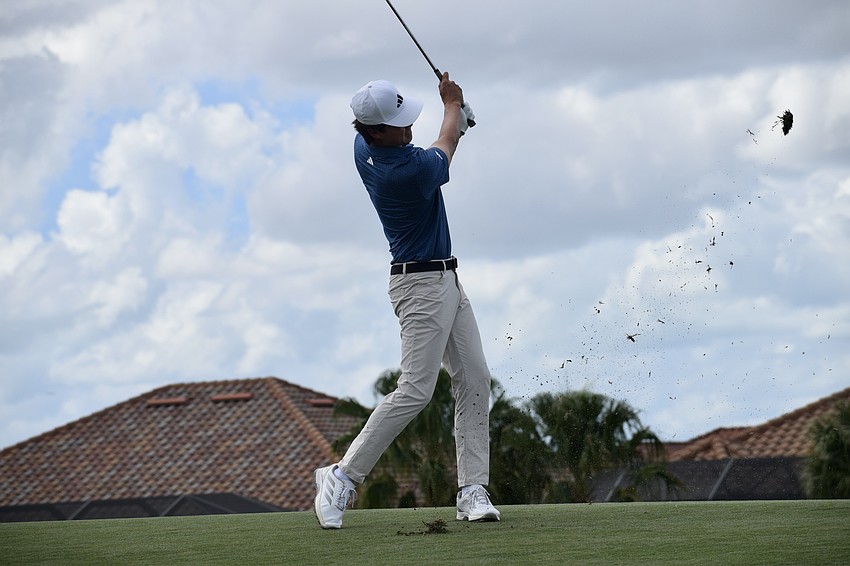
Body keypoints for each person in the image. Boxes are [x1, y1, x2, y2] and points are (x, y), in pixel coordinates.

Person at [313, 73, 500, 529]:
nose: (409, 127)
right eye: (399, 124)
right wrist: (453, 107)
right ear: (376, 131)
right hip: (420, 288)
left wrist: (456, 122)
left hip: (445, 280)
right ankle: (342, 475)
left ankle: (472, 490)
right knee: (415, 389)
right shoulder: (405, 171)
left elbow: (444, 142)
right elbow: (444, 147)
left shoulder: (363, 146)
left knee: (475, 378)